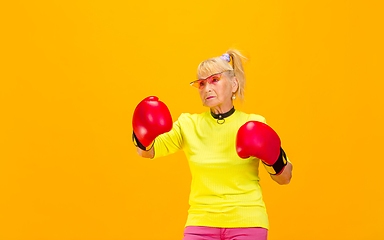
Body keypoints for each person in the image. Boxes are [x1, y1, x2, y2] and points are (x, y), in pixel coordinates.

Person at [133, 49, 293, 240]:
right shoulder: (188, 125)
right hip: (201, 222)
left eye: (214, 80)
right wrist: (142, 133)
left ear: (234, 84)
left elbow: (285, 177)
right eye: (201, 83)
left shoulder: (254, 123)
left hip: (247, 221)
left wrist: (273, 157)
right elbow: (146, 152)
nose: (207, 88)